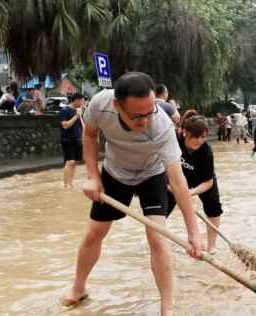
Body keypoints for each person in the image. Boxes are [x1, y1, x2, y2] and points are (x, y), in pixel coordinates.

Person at [61, 72, 203, 314]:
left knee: (157, 237)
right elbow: (90, 135)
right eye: (138, 115)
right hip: (116, 173)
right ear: (117, 106)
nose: (145, 120)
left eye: (150, 112)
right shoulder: (100, 104)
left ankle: (167, 307)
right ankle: (79, 288)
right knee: (94, 233)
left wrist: (193, 233)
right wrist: (93, 178)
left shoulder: (162, 126)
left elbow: (178, 182)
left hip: (153, 174)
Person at [167, 116, 224, 252]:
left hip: (202, 180)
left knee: (213, 207)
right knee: (160, 208)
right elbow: (159, 164)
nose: (199, 141)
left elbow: (208, 182)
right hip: (177, 177)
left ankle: (211, 246)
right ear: (184, 132)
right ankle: (157, 242)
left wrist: (190, 193)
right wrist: (168, 185)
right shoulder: (173, 141)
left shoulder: (206, 151)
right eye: (195, 137)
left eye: (203, 137)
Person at [59, 92, 85, 190]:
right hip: (67, 139)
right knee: (70, 161)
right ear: (77, 100)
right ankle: (65, 185)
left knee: (75, 162)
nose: (83, 103)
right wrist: (76, 116)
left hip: (77, 139)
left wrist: (80, 115)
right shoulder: (64, 111)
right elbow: (65, 125)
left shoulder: (79, 111)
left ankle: (70, 183)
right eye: (82, 101)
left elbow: (82, 126)